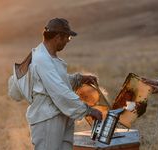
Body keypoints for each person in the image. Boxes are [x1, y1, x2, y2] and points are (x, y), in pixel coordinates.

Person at [9, 18, 102, 150]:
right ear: (58, 37)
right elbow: (59, 91)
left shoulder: (49, 57)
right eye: (68, 38)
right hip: (48, 119)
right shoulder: (42, 59)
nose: (68, 42)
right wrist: (88, 110)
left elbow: (55, 83)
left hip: (60, 116)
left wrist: (78, 78)